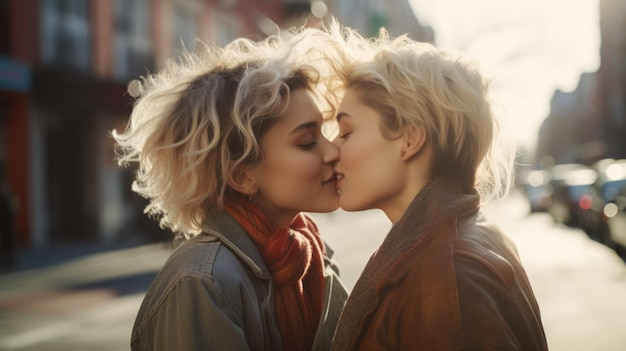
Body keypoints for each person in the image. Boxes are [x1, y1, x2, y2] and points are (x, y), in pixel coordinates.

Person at [112, 29, 348, 351]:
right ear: (240, 174)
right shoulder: (201, 282)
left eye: (324, 133)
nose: (332, 151)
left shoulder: (311, 257)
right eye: (307, 142)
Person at [324, 25, 548, 350]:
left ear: (410, 140)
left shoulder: (452, 278)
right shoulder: (457, 248)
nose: (332, 150)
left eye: (345, 132)